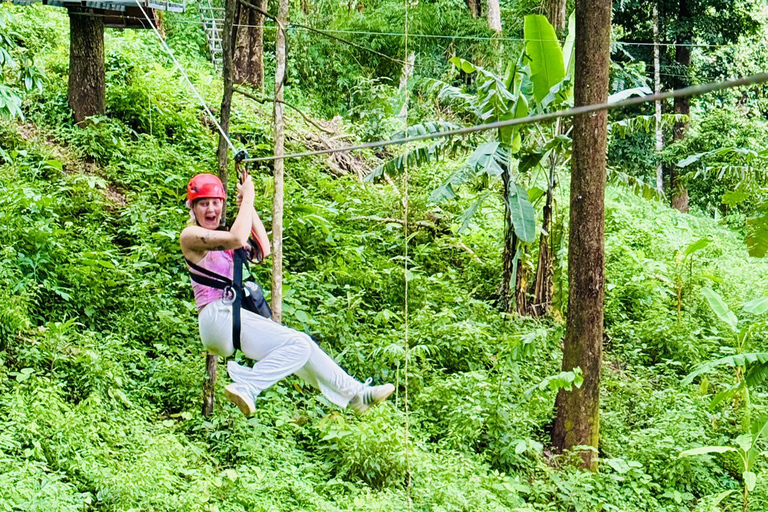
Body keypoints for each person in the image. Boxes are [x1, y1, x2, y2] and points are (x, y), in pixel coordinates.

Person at [180, 173, 394, 417]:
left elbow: (263, 250)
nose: (211, 208)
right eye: (203, 203)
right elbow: (237, 237)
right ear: (193, 208)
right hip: (216, 317)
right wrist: (248, 196)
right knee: (298, 344)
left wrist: (247, 207)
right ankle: (249, 385)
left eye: (215, 202)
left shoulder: (224, 240)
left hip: (229, 320)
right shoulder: (190, 236)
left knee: (300, 346)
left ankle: (356, 394)